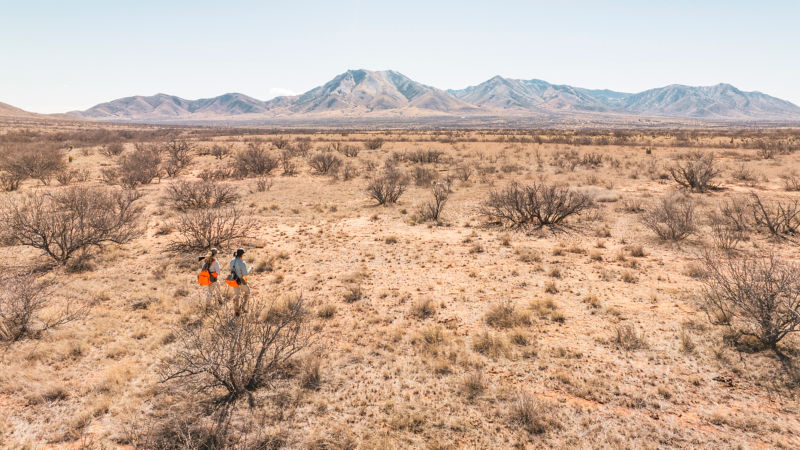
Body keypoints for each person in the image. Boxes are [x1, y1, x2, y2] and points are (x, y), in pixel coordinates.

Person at [229, 248, 253, 315]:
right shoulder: (242, 262)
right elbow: (245, 274)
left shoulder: (232, 260)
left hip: (233, 279)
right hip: (241, 280)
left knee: (237, 295)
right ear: (242, 254)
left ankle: (236, 311)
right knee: (247, 292)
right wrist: (251, 268)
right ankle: (242, 307)